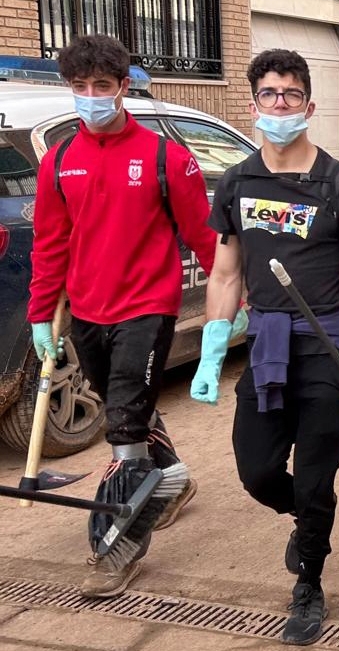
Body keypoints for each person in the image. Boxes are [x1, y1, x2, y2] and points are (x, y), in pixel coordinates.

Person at [190, 49, 339, 646]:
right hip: (268, 344)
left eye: (290, 95)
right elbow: (224, 275)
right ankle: (304, 519)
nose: (280, 105)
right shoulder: (238, 183)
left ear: (309, 106)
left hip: (328, 345)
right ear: (253, 106)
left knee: (317, 475)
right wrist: (211, 348)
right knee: (257, 470)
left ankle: (310, 583)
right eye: (269, 95)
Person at [27, 34, 217, 598]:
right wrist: (42, 315)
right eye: (80, 87)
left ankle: (114, 547)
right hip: (86, 309)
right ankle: (172, 479)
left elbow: (202, 236)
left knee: (124, 427)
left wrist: (230, 303)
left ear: (123, 88)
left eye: (102, 87)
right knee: (125, 406)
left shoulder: (166, 158)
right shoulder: (60, 161)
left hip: (147, 306)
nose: (90, 97)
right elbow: (49, 243)